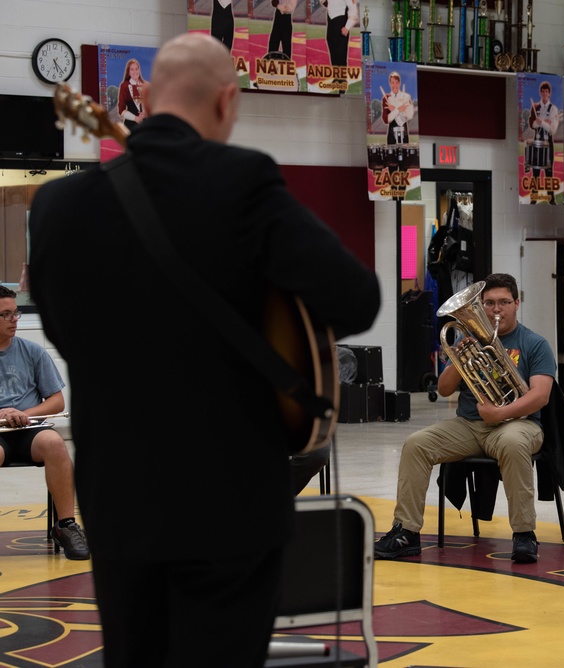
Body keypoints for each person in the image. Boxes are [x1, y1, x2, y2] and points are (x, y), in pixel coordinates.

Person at [28, 32, 380, 667]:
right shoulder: (243, 181)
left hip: (119, 501)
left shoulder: (57, 206)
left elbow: (62, 330)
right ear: (226, 99)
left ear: (146, 96)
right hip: (231, 504)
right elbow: (357, 299)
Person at [374, 273, 556, 564]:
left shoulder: (534, 343)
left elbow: (540, 396)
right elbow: (445, 390)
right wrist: (458, 360)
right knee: (416, 444)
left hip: (518, 424)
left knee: (512, 444)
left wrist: (501, 412)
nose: (496, 309)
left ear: (517, 303)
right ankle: (406, 532)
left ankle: (524, 535)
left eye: (504, 302)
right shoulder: (465, 339)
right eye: (489, 303)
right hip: (469, 426)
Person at [0, 287, 89, 561]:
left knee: (55, 444)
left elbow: (57, 401)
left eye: (16, 312)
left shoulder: (33, 351)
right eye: (5, 314)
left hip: (29, 428)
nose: (14, 319)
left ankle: (65, 525)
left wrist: (26, 413)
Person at [527, 81, 560, 177]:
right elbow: (532, 124)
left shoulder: (554, 109)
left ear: (549, 94)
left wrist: (540, 122)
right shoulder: (535, 107)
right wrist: (545, 122)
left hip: (548, 144)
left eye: (546, 91)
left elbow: (552, 129)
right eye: (543, 91)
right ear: (540, 93)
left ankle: (550, 193)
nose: (545, 93)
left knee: (549, 174)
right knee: (535, 174)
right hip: (537, 143)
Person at [382, 71, 413, 145]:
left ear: (399, 83)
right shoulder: (386, 98)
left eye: (396, 82)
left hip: (404, 132)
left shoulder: (406, 97)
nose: (394, 85)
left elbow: (409, 115)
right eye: (392, 83)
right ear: (390, 84)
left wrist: (394, 110)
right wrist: (398, 109)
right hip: (392, 133)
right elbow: (386, 119)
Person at [325, 0, 359, 66]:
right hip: (330, 20)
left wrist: (347, 27)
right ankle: (336, 74)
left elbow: (353, 9)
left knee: (340, 55)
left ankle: (341, 75)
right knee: (333, 50)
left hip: (340, 21)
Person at [117, 59, 147, 130]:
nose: (135, 72)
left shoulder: (146, 86)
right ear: (128, 72)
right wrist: (135, 118)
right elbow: (121, 110)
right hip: (130, 126)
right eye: (132, 69)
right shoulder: (124, 86)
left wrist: (146, 113)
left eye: (136, 69)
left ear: (139, 70)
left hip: (145, 125)